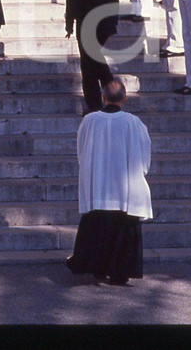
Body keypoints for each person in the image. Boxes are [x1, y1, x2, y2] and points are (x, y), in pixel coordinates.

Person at [66, 79, 152, 286]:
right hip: (125, 190)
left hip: (99, 184)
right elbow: (144, 156)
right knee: (123, 229)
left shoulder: (90, 121)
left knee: (97, 226)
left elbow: (82, 150)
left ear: (103, 98)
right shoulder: (134, 123)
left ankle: (98, 268)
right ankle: (120, 273)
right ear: (125, 98)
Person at [65, 0, 119, 113]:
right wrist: (113, 22)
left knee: (89, 67)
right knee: (94, 60)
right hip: (105, 23)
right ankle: (112, 97)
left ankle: (98, 104)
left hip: (87, 25)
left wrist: (69, 24)